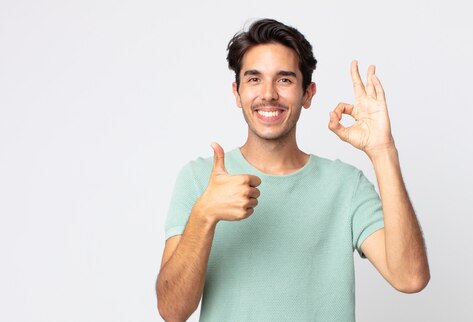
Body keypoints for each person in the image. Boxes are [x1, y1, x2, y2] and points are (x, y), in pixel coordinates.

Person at [156, 18, 430, 322]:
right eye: (254, 79)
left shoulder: (346, 186)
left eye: (284, 79)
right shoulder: (199, 179)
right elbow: (172, 311)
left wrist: (383, 152)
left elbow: (410, 278)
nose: (269, 94)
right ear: (237, 92)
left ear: (308, 93)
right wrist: (204, 215)